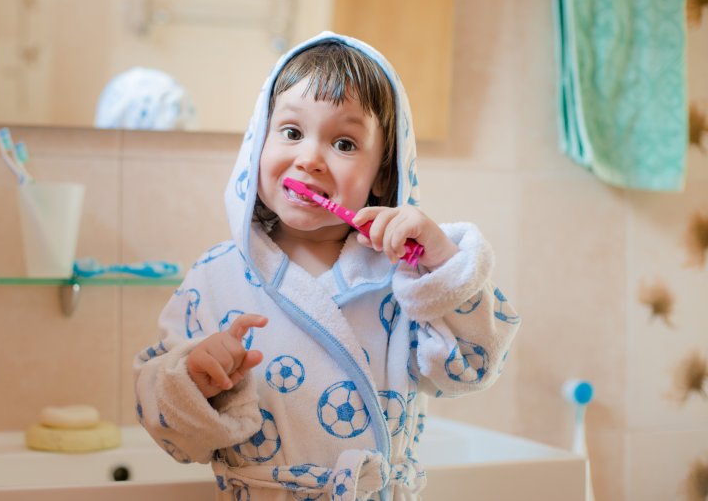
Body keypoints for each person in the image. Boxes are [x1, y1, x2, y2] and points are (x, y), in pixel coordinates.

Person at [133, 32, 520, 500]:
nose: (309, 159)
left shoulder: (407, 278)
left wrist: (442, 264)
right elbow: (174, 432)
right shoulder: (216, 276)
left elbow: (473, 368)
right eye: (292, 133)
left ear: (381, 174)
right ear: (259, 143)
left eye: (343, 142)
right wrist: (196, 377)